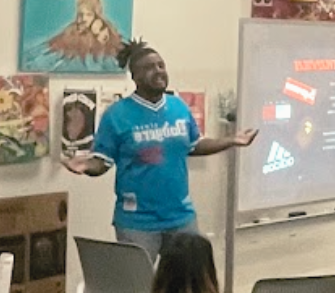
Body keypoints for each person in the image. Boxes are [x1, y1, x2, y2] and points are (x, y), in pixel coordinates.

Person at [62, 38, 257, 262]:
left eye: (161, 65)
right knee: (138, 291)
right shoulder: (116, 115)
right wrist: (86, 165)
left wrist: (231, 140)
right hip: (137, 223)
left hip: (181, 217)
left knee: (186, 287)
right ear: (134, 77)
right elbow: (102, 162)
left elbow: (194, 145)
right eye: (148, 68)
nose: (158, 71)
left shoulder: (178, 106)